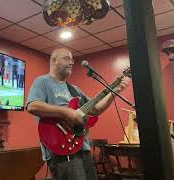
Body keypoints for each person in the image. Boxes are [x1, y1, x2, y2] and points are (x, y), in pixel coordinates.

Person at [26, 48, 130, 180]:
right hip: (61, 149)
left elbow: (96, 109)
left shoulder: (74, 89)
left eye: (72, 60)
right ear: (54, 60)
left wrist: (115, 91)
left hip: (83, 147)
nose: (71, 63)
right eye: (66, 58)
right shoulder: (42, 81)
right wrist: (66, 112)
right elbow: (32, 106)